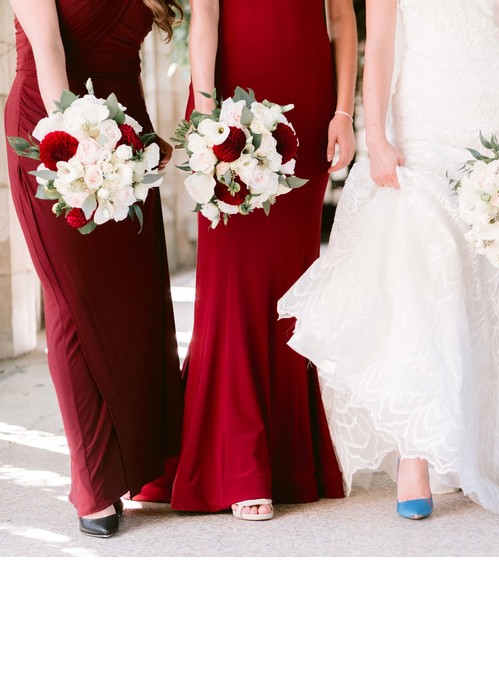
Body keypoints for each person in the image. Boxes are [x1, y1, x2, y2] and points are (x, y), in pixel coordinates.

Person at [279, 0, 499, 519]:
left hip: (496, 118)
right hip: (422, 121)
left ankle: (467, 440)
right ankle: (414, 451)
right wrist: (375, 130)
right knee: (419, 266)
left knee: (484, 281)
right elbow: (385, 39)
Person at [156, 0, 358, 520]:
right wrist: (205, 107)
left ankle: (290, 458)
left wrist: (342, 111)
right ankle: (240, 462)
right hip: (228, 102)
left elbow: (341, 18)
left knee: (293, 278)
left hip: (307, 102)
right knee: (231, 279)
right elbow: (207, 12)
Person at [5, 0, 183, 537]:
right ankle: (92, 483)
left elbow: (124, 67)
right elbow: (50, 52)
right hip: (54, 130)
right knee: (71, 302)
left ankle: (141, 461)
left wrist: (142, 141)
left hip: (126, 138)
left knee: (135, 300)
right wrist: (80, 147)